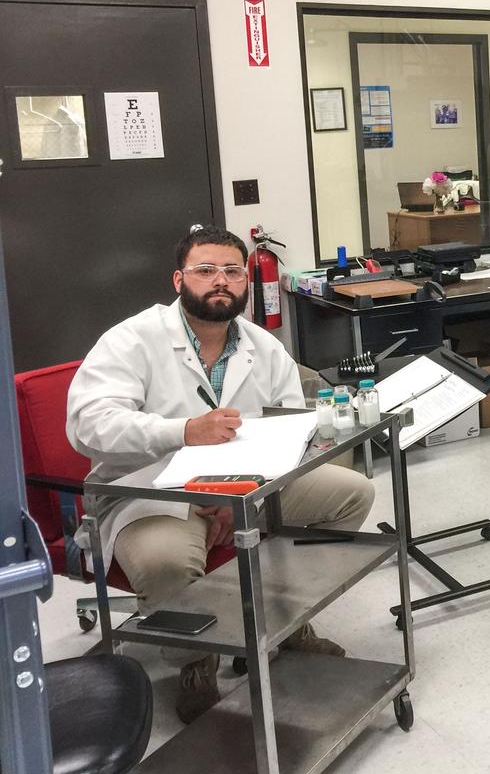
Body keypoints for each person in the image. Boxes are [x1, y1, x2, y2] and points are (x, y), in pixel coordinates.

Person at [67, 225, 375, 724]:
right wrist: (183, 431)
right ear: (178, 279)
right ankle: (196, 661)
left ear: (247, 281)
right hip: (152, 491)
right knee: (166, 561)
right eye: (205, 270)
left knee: (351, 494)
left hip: (249, 487)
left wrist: (243, 496)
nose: (221, 281)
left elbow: (289, 428)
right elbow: (87, 427)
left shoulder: (262, 345)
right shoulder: (131, 340)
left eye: (233, 271)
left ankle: (288, 618)